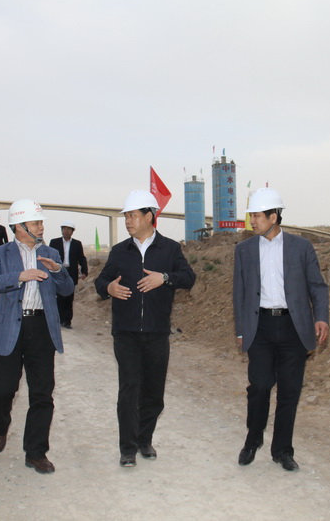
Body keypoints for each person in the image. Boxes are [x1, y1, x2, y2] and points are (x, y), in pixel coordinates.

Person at [95, 190, 196, 467]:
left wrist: (164, 278)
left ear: (149, 216)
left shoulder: (170, 249)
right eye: (126, 216)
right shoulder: (119, 251)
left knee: (153, 393)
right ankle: (127, 448)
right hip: (125, 332)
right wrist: (109, 288)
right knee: (129, 389)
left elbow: (188, 277)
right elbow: (100, 281)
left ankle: (144, 439)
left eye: (133, 215)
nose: (128, 221)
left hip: (156, 332)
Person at [233, 187, 329, 472]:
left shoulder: (302, 247)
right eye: (251, 215)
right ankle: (253, 440)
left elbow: (317, 286)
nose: (252, 221)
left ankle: (283, 451)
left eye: (257, 216)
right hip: (260, 326)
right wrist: (241, 330)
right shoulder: (244, 250)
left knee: (289, 390)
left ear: (273, 217)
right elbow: (239, 293)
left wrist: (321, 317)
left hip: (293, 327)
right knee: (260, 385)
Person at [0, 199, 73, 475]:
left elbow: (67, 289)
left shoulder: (51, 253)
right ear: (19, 227)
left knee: (42, 393)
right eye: (35, 223)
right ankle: (0, 425)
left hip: (41, 329)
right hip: (10, 327)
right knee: (2, 389)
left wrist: (57, 271)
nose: (41, 227)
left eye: (41, 222)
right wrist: (19, 276)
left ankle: (36, 453)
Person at [48, 220, 88, 328]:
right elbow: (49, 257)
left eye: (68, 229)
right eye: (64, 229)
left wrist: (84, 271)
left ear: (72, 231)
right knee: (59, 296)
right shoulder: (54, 242)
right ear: (61, 230)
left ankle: (67, 321)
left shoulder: (77, 244)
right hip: (58, 271)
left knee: (69, 297)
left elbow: (81, 258)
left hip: (71, 272)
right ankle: (59, 319)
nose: (66, 231)